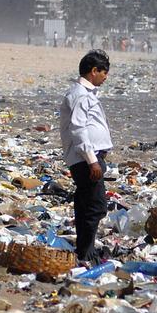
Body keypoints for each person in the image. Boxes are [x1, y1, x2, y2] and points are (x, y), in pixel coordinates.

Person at [59, 50, 114, 264]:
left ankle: (84, 250)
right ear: (94, 71)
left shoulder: (84, 94)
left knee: (85, 204)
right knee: (96, 206)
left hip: (87, 157)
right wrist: (92, 161)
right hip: (84, 159)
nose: (106, 77)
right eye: (104, 72)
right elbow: (78, 129)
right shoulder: (80, 95)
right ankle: (86, 252)